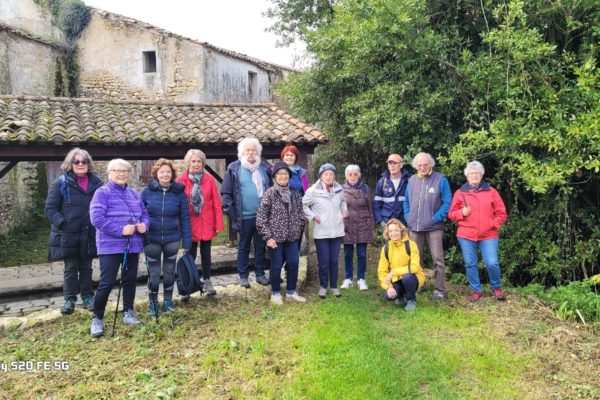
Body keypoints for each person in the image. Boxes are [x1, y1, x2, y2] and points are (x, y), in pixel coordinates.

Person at [89, 159, 149, 338]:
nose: (121, 174)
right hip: (110, 246)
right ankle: (97, 318)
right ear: (109, 173)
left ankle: (128, 312)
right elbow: (96, 219)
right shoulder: (102, 193)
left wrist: (145, 225)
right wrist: (120, 230)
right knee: (106, 283)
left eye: (125, 171)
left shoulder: (134, 194)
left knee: (130, 280)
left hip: (133, 245)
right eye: (117, 170)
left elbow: (144, 215)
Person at [44, 148, 103, 315]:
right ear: (70, 164)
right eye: (76, 161)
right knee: (70, 267)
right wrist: (63, 224)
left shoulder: (97, 184)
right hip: (68, 234)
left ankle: (87, 296)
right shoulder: (61, 183)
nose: (80, 164)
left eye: (83, 161)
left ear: (88, 164)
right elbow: (50, 208)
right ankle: (69, 299)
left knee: (86, 266)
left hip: (89, 232)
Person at [448, 161, 507, 302]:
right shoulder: (460, 193)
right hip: (466, 235)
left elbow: (502, 213)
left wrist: (493, 224)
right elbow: (451, 214)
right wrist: (462, 212)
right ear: (467, 176)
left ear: (482, 175)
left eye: (477, 173)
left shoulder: (491, 192)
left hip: (489, 235)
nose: (474, 175)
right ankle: (476, 290)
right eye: (471, 173)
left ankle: (496, 288)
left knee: (492, 262)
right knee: (470, 263)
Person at [141, 158, 192, 314]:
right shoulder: (146, 192)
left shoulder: (179, 193)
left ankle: (168, 300)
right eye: (162, 172)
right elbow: (140, 214)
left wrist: (187, 241)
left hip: (172, 239)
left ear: (172, 174)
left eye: (168, 172)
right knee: (154, 274)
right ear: (156, 173)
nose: (165, 174)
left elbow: (185, 218)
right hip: (152, 239)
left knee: (169, 272)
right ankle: (153, 303)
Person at [221, 138, 272, 288]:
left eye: (253, 150)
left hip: (262, 217)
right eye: (248, 150)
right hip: (243, 217)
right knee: (243, 246)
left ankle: (260, 274)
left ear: (257, 152)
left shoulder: (263, 168)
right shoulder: (234, 168)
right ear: (242, 152)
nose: (251, 153)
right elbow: (226, 194)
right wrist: (233, 215)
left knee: (260, 246)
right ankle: (243, 276)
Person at [256, 161, 307, 305]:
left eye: (285, 173)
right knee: (276, 265)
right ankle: (276, 294)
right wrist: (268, 237)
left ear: (289, 176)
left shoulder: (295, 195)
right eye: (280, 174)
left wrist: (297, 231)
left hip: (292, 238)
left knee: (293, 263)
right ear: (274, 177)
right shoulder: (269, 194)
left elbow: (300, 215)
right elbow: (261, 218)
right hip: (275, 238)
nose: (283, 176)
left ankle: (291, 292)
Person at [403, 152, 451, 300]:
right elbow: (406, 201)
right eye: (419, 165)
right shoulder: (411, 180)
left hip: (434, 227)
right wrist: (407, 216)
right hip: (414, 227)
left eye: (425, 164)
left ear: (431, 164)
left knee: (437, 258)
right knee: (416, 259)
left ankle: (439, 290)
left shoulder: (440, 179)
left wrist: (435, 218)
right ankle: (420, 284)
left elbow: (447, 202)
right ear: (416, 166)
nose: (422, 167)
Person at [177, 149, 224, 296]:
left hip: (206, 221)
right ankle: (188, 284)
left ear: (203, 163)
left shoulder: (209, 179)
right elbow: (177, 204)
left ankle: (207, 281)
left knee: (206, 253)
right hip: (189, 222)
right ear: (188, 163)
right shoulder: (181, 181)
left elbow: (216, 202)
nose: (196, 164)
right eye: (193, 161)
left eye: (199, 161)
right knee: (189, 254)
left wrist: (219, 223)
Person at [303, 163, 348, 299]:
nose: (329, 177)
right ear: (321, 176)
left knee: (334, 260)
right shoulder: (312, 191)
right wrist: (313, 216)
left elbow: (343, 201)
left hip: (337, 230)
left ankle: (334, 286)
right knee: (324, 261)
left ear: (334, 176)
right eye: (326, 174)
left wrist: (344, 211)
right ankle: (323, 287)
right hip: (321, 232)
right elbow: (303, 205)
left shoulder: (339, 189)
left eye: (331, 174)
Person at [377, 219, 425, 311]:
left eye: (396, 230)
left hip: (412, 277)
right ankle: (401, 296)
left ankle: (411, 299)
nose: (393, 233)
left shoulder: (411, 245)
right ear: (387, 233)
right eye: (390, 231)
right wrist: (389, 287)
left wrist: (394, 271)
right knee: (388, 296)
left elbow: (415, 267)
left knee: (407, 278)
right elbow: (381, 271)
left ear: (401, 231)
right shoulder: (386, 248)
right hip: (396, 279)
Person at [341, 164, 375, 291]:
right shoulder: (340, 189)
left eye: (356, 174)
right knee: (347, 254)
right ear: (346, 176)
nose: (353, 176)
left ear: (359, 175)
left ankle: (361, 279)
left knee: (361, 254)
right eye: (350, 174)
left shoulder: (365, 189)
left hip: (363, 225)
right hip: (347, 225)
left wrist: (372, 225)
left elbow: (370, 207)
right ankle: (348, 278)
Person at [374, 153, 411, 226]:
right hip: (387, 222)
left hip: (405, 222)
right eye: (390, 163)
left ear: (401, 165)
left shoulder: (409, 180)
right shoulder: (382, 181)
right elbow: (376, 204)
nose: (392, 165)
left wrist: (410, 219)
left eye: (395, 163)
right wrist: (381, 221)